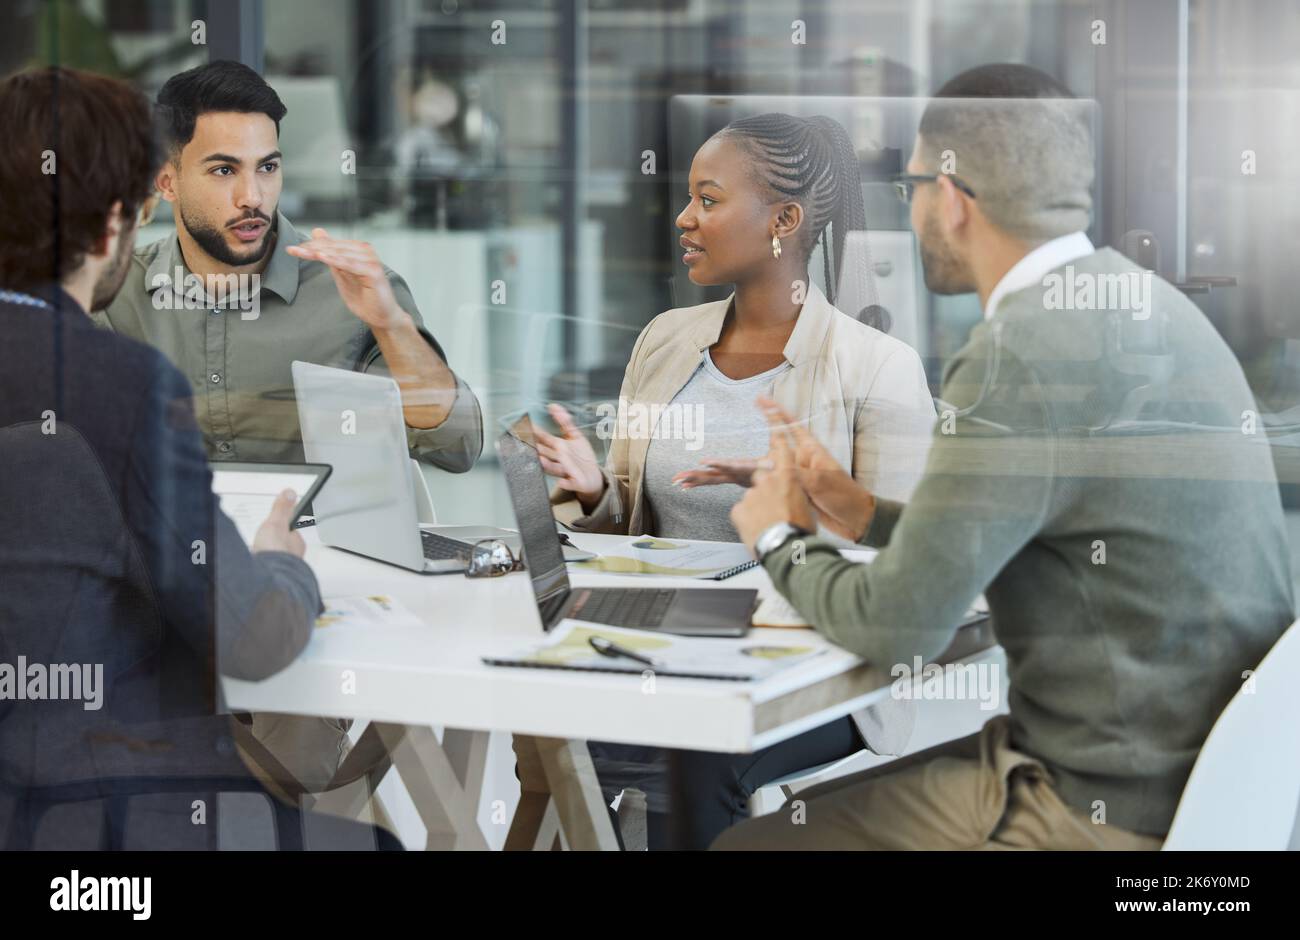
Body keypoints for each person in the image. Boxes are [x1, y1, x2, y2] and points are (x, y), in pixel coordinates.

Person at [717, 63, 1295, 850]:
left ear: (951, 198)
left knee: (757, 844)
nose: (913, 206)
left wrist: (776, 536)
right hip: (1207, 793)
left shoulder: (1017, 353)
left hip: (1104, 809)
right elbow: (1032, 516)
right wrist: (861, 511)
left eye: (915, 184)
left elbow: (898, 628)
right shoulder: (1148, 304)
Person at [0, 65, 397, 850]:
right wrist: (284, 560)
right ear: (119, 224)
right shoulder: (117, 386)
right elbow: (253, 636)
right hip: (103, 817)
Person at [536, 113, 936, 848]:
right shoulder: (665, 341)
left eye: (709, 200)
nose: (685, 219)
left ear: (784, 219)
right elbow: (635, 526)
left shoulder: (879, 367)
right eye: (688, 199)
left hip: (821, 667)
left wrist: (803, 505)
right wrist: (595, 492)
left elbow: (904, 563)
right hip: (661, 645)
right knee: (549, 732)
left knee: (696, 755)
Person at [93, 60, 485, 798]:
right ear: (167, 182)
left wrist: (392, 325)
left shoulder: (345, 290)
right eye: (223, 170)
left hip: (309, 607)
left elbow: (459, 443)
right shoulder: (117, 294)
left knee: (266, 768)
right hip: (156, 608)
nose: (253, 197)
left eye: (267, 168)